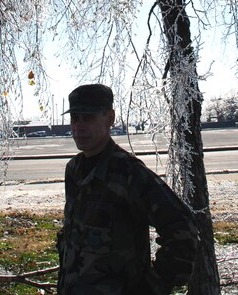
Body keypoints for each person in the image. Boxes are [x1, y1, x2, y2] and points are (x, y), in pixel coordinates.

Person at [57, 83, 198, 295]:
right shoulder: (74, 170)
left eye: (89, 118)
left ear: (110, 118)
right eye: (75, 118)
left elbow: (184, 232)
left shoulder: (128, 173)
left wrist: (153, 286)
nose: (79, 126)